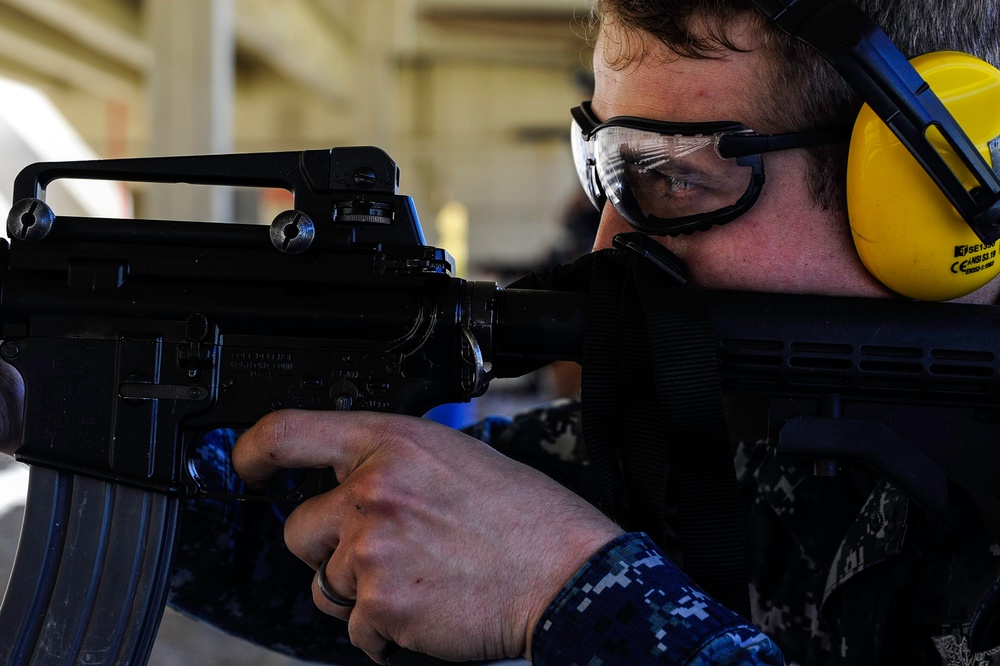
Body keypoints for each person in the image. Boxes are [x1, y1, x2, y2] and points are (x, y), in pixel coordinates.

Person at [6, 1, 1000, 664]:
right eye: (605, 167)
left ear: (928, 185)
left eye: (670, 176)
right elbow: (322, 557)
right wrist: (75, 395)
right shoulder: (731, 429)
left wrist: (575, 590)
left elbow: (550, 569)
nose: (611, 233)